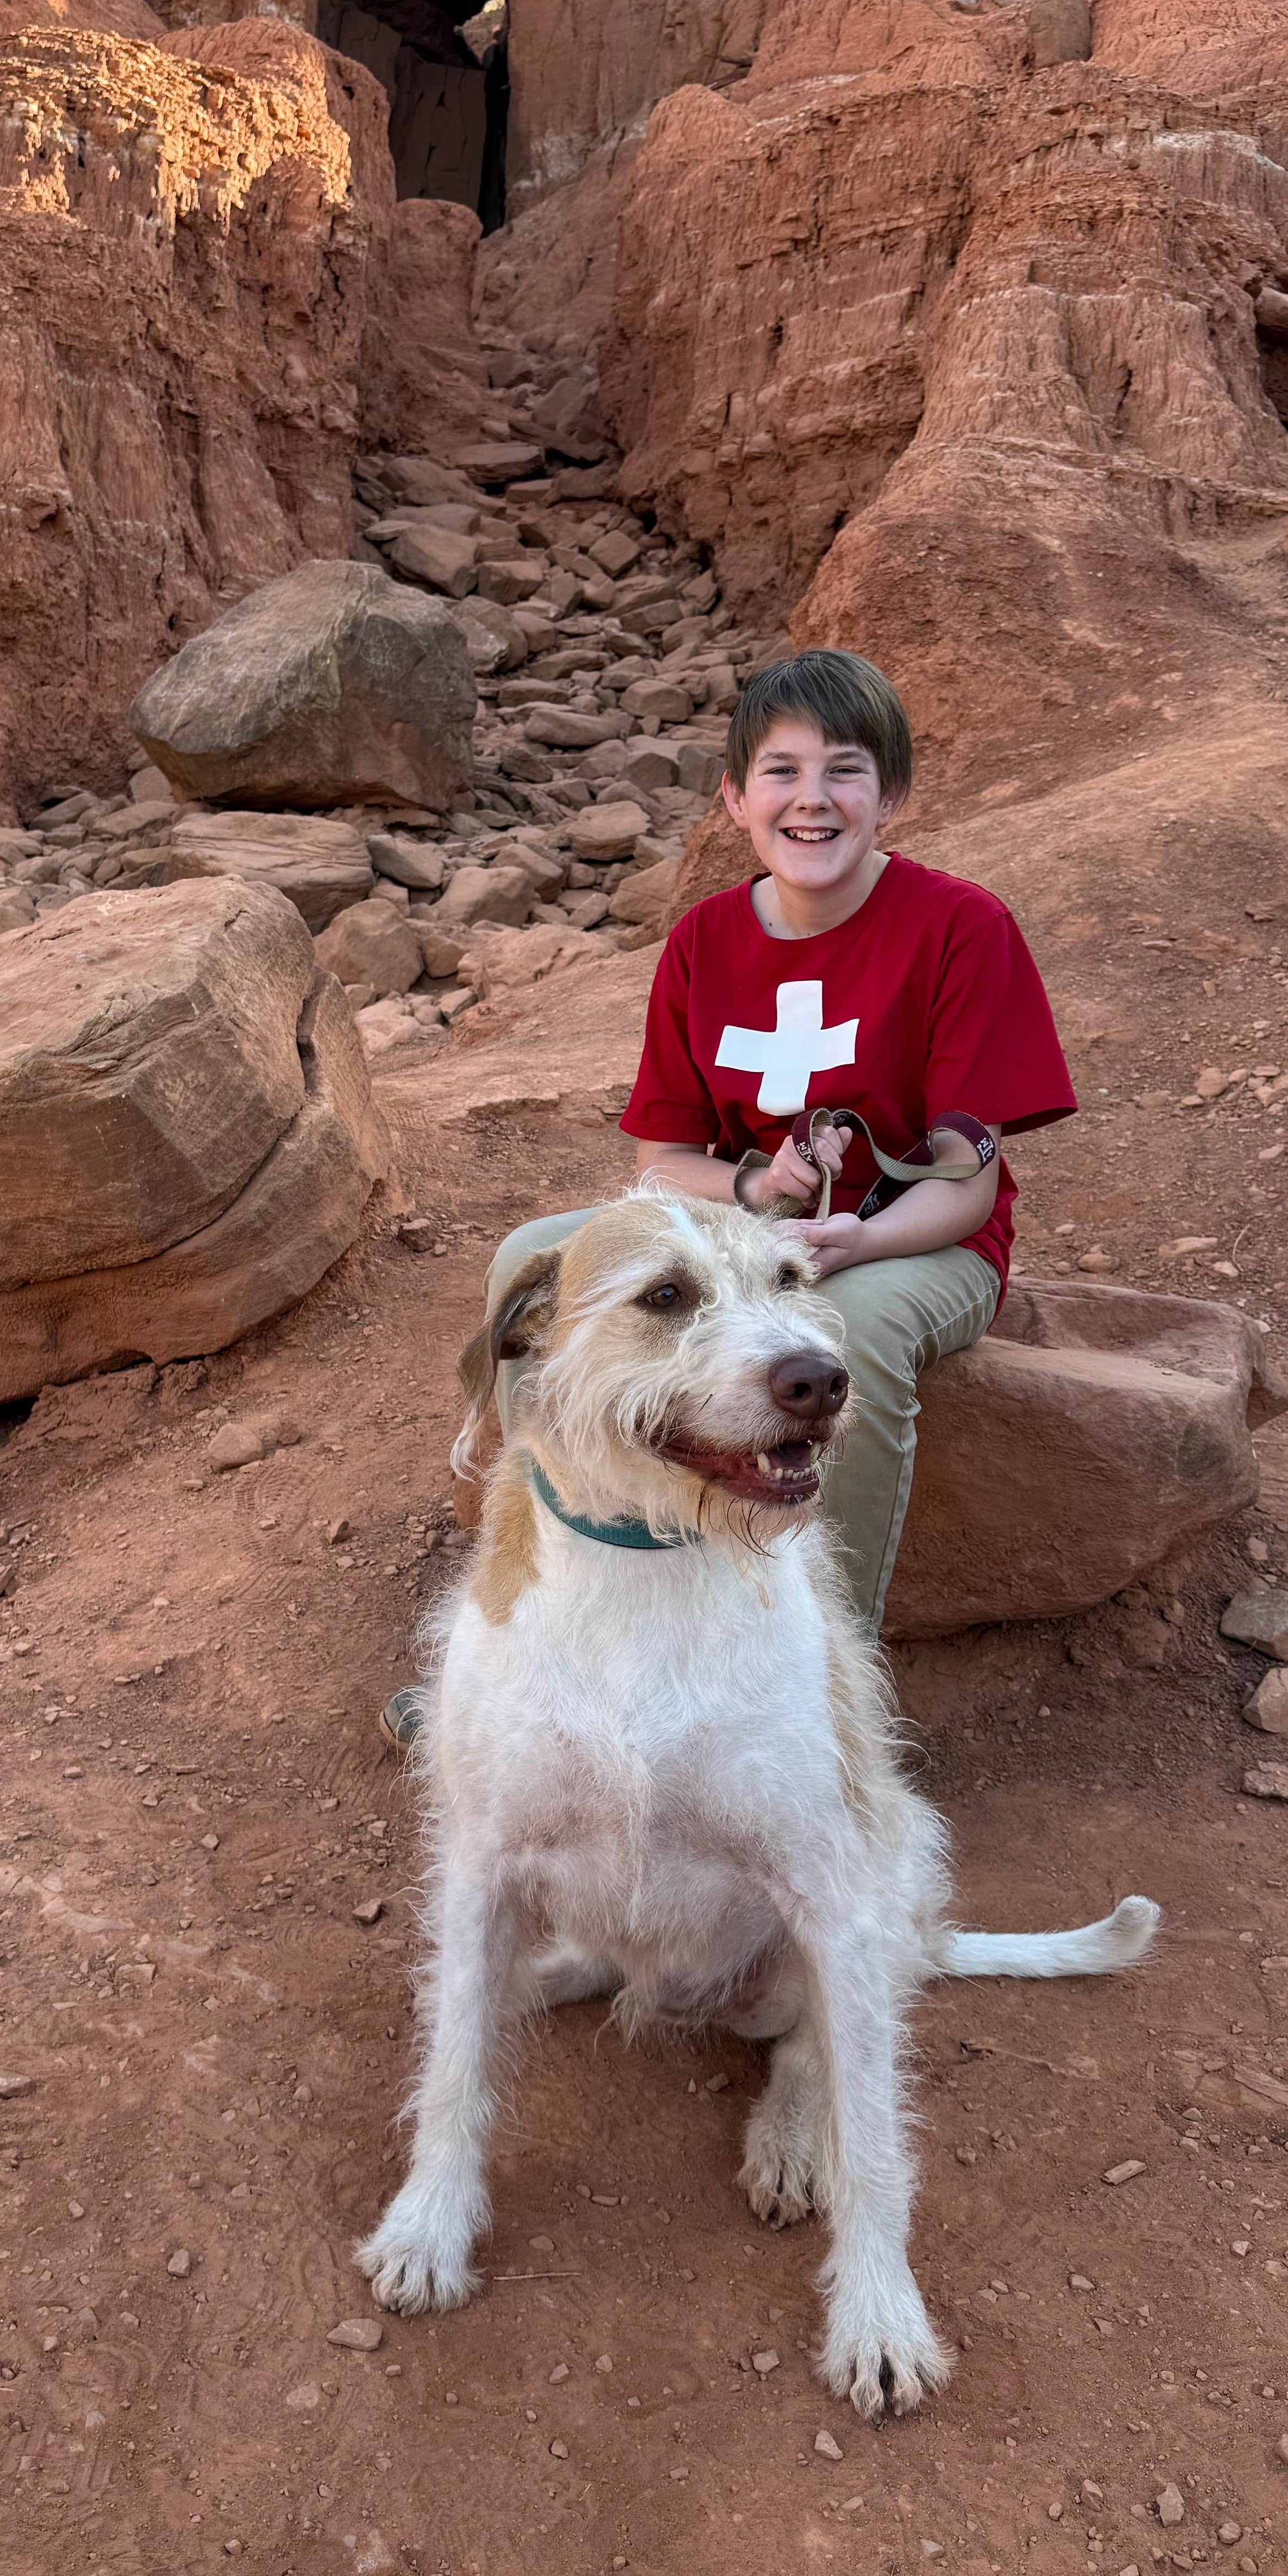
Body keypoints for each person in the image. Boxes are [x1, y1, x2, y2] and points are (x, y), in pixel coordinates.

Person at [382, 646, 1075, 1752]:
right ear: (735, 799)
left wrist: (858, 1238)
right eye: (783, 772)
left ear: (889, 795)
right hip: (751, 1231)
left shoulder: (960, 928)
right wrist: (756, 1185)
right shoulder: (705, 942)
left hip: (916, 1239)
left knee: (850, 1333)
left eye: (846, 772)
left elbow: (965, 1180)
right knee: (544, 1260)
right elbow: (662, 1164)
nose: (813, 800)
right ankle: (532, 1645)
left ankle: (814, 1685)